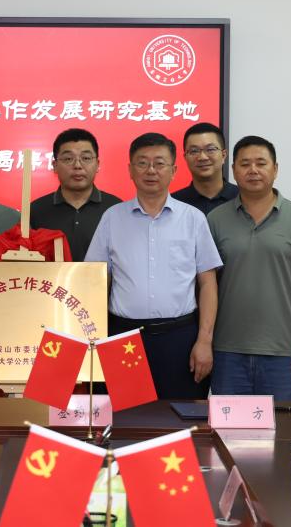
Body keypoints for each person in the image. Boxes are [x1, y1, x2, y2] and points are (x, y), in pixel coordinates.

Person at [85, 133, 221, 398]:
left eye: (159, 163)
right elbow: (96, 282)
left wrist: (205, 340)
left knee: (178, 416)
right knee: (125, 417)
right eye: (142, 163)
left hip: (180, 338)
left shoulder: (193, 218)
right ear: (130, 170)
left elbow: (208, 283)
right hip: (123, 336)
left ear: (174, 170)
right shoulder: (112, 218)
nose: (151, 171)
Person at [207, 136, 291, 400]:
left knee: (282, 425)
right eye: (245, 164)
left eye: (261, 163)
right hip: (227, 351)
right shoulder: (216, 219)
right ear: (233, 169)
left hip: (284, 352)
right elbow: (207, 284)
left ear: (275, 169)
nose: (253, 170)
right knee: (230, 426)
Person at [30, 128, 121, 261]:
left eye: (86, 158)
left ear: (97, 164)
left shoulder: (115, 209)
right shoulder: (35, 211)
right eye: (68, 159)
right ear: (55, 165)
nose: (77, 165)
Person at [171, 122, 239, 215]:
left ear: (223, 155)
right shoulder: (173, 203)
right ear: (185, 157)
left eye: (210, 149)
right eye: (194, 151)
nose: (202, 157)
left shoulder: (243, 198)